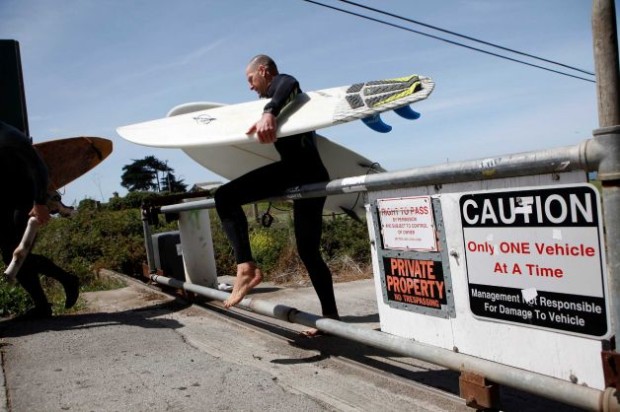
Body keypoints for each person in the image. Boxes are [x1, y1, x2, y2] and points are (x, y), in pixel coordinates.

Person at [214, 54, 339, 335]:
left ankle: (246, 268)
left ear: (263, 71)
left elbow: (290, 81)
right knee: (308, 251)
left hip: (302, 173)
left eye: (250, 80)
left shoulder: (285, 89)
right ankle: (331, 317)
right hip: (305, 175)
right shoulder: (282, 104)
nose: (250, 86)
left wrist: (269, 112)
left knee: (225, 197)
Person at [0, 120, 79, 320]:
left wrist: (39, 203)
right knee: (10, 257)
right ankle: (43, 305)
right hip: (7, 203)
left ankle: (66, 281)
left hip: (26, 199)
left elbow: (39, 168)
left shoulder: (9, 135)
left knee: (17, 256)